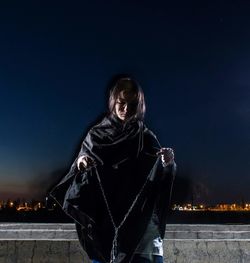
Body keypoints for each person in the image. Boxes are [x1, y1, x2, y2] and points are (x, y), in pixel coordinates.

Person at [50, 77, 176, 263]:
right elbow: (79, 168)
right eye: (121, 103)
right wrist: (81, 162)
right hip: (106, 232)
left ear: (139, 105)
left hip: (142, 234)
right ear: (113, 102)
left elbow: (160, 180)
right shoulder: (96, 135)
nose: (126, 109)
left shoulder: (146, 137)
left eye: (132, 104)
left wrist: (169, 163)